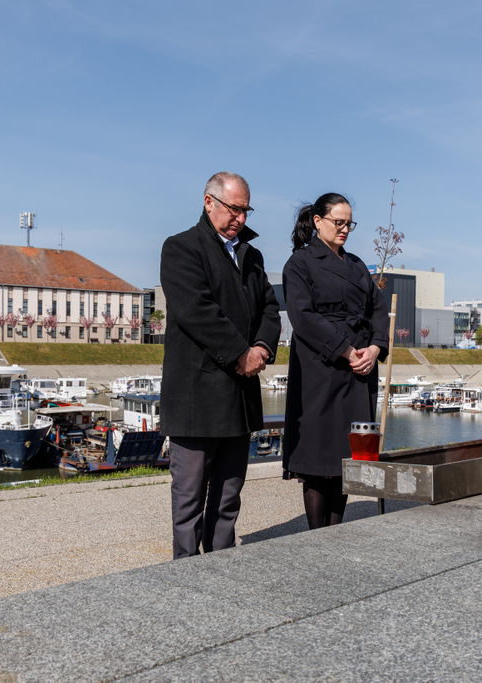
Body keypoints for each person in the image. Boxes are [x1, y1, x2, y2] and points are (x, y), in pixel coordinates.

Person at [160, 171, 281, 559]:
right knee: (190, 497)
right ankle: (185, 569)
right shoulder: (181, 248)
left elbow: (270, 309)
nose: (240, 218)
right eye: (234, 209)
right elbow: (196, 311)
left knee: (229, 494)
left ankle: (222, 563)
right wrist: (240, 354)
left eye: (246, 211)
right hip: (196, 397)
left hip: (239, 397)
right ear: (209, 201)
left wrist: (261, 347)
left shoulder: (251, 255)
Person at [282, 193, 389, 529]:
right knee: (318, 456)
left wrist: (375, 348)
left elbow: (379, 308)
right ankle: (317, 536)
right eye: (338, 222)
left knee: (346, 455)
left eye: (349, 224)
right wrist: (345, 350)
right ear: (318, 221)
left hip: (359, 370)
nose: (344, 229)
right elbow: (303, 317)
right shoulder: (299, 263)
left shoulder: (357, 265)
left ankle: (336, 531)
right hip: (321, 367)